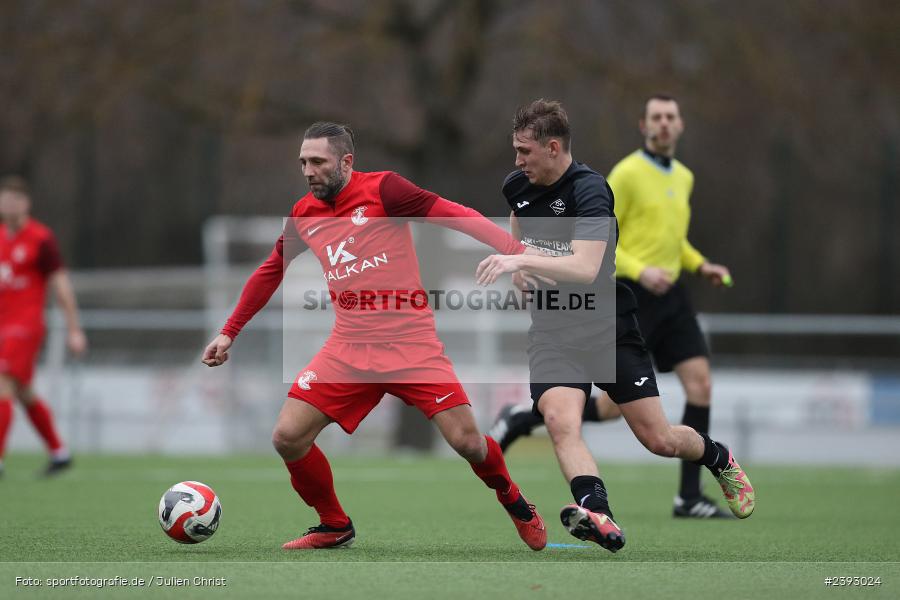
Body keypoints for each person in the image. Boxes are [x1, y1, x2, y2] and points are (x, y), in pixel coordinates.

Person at [202, 122, 547, 551]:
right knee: (287, 437)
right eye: (303, 162)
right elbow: (271, 270)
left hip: (412, 347)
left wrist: (517, 254)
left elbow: (456, 215)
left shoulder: (386, 190)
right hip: (347, 351)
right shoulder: (304, 215)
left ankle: (514, 499)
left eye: (318, 162)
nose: (308, 171)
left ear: (346, 162)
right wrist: (228, 332)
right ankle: (334, 525)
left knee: (469, 444)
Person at [476, 100, 753, 553]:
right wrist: (520, 262)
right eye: (515, 150)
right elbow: (518, 221)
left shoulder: (591, 190)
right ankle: (597, 511)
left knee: (659, 440)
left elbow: (586, 267)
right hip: (552, 332)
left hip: (607, 328)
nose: (517, 160)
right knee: (560, 422)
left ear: (552, 148)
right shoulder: (517, 184)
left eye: (524, 151)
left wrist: (518, 258)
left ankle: (717, 457)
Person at [0, 175, 87, 477]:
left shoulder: (40, 238)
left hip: (25, 327)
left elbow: (61, 285)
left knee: (3, 384)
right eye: (5, 198)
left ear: (26, 203)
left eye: (15, 199)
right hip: (2, 327)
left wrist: (74, 329)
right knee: (23, 392)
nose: (9, 204)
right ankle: (59, 452)